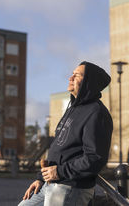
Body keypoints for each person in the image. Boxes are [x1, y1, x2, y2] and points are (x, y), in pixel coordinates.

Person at [18, 61, 113, 206]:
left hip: (70, 188)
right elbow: (59, 149)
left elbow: (95, 157)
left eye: (77, 75)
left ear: (89, 82)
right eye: (72, 74)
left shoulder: (97, 113)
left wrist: (60, 172)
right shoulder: (72, 109)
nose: (70, 78)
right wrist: (41, 178)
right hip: (49, 185)